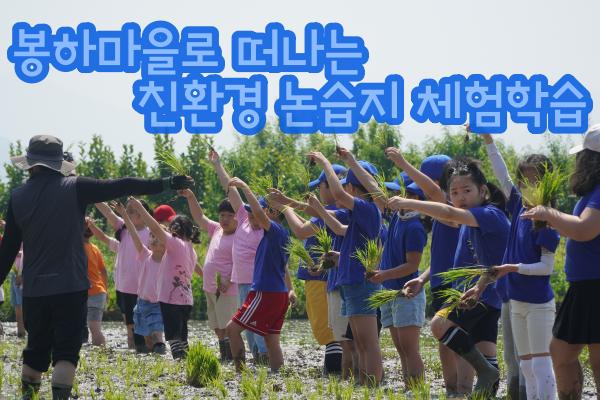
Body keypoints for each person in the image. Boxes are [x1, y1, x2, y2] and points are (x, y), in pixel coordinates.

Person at [0, 134, 193, 400]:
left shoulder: (18, 197)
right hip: (70, 287)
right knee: (66, 352)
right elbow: (123, 184)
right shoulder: (75, 187)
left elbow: (7, 251)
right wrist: (167, 183)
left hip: (35, 290)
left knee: (36, 349)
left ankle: (28, 395)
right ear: (58, 163)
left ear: (30, 164)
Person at [388, 157, 509, 396]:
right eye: (454, 192)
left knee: (439, 325)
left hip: (484, 291)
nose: (460, 197)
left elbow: (447, 210)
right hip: (484, 290)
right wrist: (423, 278)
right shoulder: (471, 219)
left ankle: (474, 381)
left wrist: (409, 201)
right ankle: (484, 390)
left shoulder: (488, 214)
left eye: (466, 190)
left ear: (482, 190)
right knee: (485, 350)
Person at [477, 132, 560, 399]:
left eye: (534, 181)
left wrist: (513, 268)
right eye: (523, 181)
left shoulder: (548, 221)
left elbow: (546, 267)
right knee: (525, 365)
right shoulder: (519, 208)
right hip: (516, 301)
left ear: (547, 183)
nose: (526, 186)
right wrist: (488, 140)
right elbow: (503, 176)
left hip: (539, 304)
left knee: (541, 364)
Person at [520, 125, 600, 399]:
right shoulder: (592, 193)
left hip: (596, 284)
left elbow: (584, 229)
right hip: (585, 285)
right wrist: (550, 218)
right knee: (561, 352)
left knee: (597, 358)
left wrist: (549, 213)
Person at [308, 151, 384, 386]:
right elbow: (340, 228)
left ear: (352, 188)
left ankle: (372, 385)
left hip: (361, 284)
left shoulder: (368, 209)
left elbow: (339, 195)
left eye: (345, 187)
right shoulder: (359, 214)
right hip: (351, 283)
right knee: (360, 342)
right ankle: (364, 384)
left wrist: (325, 163)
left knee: (368, 342)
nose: (340, 193)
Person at [225, 177, 295, 373]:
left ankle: (240, 373)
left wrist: (245, 187)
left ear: (273, 212)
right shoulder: (281, 235)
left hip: (265, 292)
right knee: (271, 339)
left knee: (232, 329)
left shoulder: (276, 231)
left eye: (261, 212)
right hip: (279, 294)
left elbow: (258, 214)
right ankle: (278, 375)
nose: (252, 217)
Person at [208, 149, 268, 364]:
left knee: (258, 322)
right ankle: (256, 357)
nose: (251, 215)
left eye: (256, 212)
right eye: (250, 211)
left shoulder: (266, 230)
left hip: (258, 284)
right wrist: (217, 165)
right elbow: (230, 188)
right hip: (242, 283)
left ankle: (265, 356)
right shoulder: (242, 218)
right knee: (246, 324)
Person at [127, 197, 199, 360]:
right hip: (186, 300)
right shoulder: (191, 249)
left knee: (173, 336)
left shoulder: (175, 243)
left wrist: (139, 207)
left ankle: (179, 361)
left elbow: (154, 226)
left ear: (176, 230)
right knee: (182, 335)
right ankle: (186, 361)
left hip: (171, 299)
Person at [179, 188, 238, 361]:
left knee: (227, 324)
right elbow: (200, 217)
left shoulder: (241, 235)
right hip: (210, 287)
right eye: (222, 215)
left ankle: (231, 357)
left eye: (230, 215)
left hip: (228, 289)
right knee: (216, 325)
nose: (225, 219)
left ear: (238, 217)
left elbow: (242, 262)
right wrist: (191, 196)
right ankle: (224, 355)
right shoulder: (217, 229)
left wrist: (229, 279)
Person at [82, 218, 109, 346]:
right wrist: (106, 291)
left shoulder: (77, 247)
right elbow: (103, 271)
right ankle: (101, 351)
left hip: (90, 293)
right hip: (99, 292)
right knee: (94, 329)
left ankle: (103, 352)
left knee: (94, 329)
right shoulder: (95, 248)